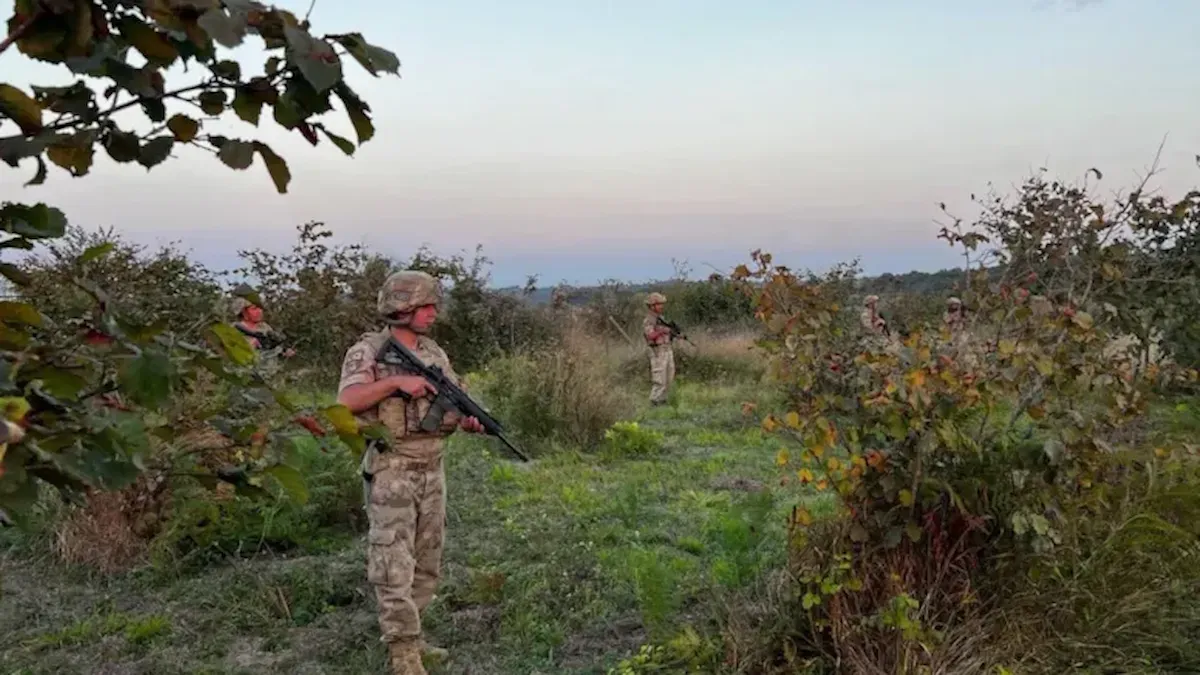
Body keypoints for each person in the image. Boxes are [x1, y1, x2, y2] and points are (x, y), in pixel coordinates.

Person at [336, 270, 485, 675]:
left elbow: (452, 401)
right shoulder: (368, 351)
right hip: (392, 467)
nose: (433, 313)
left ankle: (415, 638)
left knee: (427, 558)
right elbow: (347, 401)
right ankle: (401, 651)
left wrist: (468, 420)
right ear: (401, 308)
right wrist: (396, 383)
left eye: (433, 305)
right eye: (425, 306)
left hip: (432, 466)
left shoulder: (434, 352)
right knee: (392, 560)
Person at [230, 296, 295, 358]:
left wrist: (284, 352)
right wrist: (253, 345)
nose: (260, 311)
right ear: (244, 312)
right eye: (254, 308)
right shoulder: (233, 330)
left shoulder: (264, 326)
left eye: (260, 308)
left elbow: (272, 350)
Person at [642, 292, 676, 405]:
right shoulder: (649, 320)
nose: (661, 306)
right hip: (657, 351)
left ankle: (663, 401)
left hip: (667, 349)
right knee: (659, 378)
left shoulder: (661, 319)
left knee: (669, 376)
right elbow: (650, 335)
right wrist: (662, 331)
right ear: (652, 306)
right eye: (658, 304)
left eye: (662, 304)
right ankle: (655, 401)